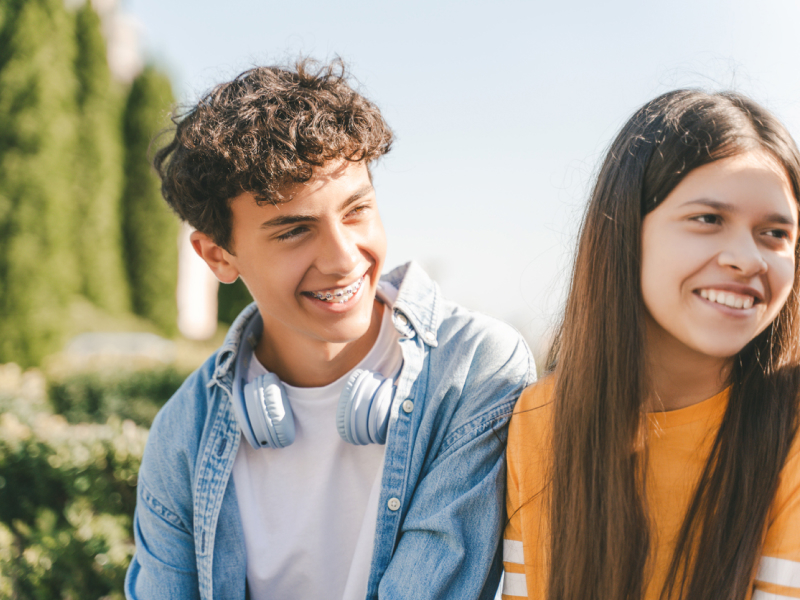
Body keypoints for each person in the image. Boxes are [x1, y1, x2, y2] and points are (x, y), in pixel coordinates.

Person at [124, 58, 535, 600]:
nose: (344, 259)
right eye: (295, 231)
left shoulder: (476, 371)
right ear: (219, 256)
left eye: (357, 210)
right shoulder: (184, 433)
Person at [502, 90, 800, 600]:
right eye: (708, 219)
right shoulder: (541, 417)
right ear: (624, 232)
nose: (748, 259)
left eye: (774, 233)